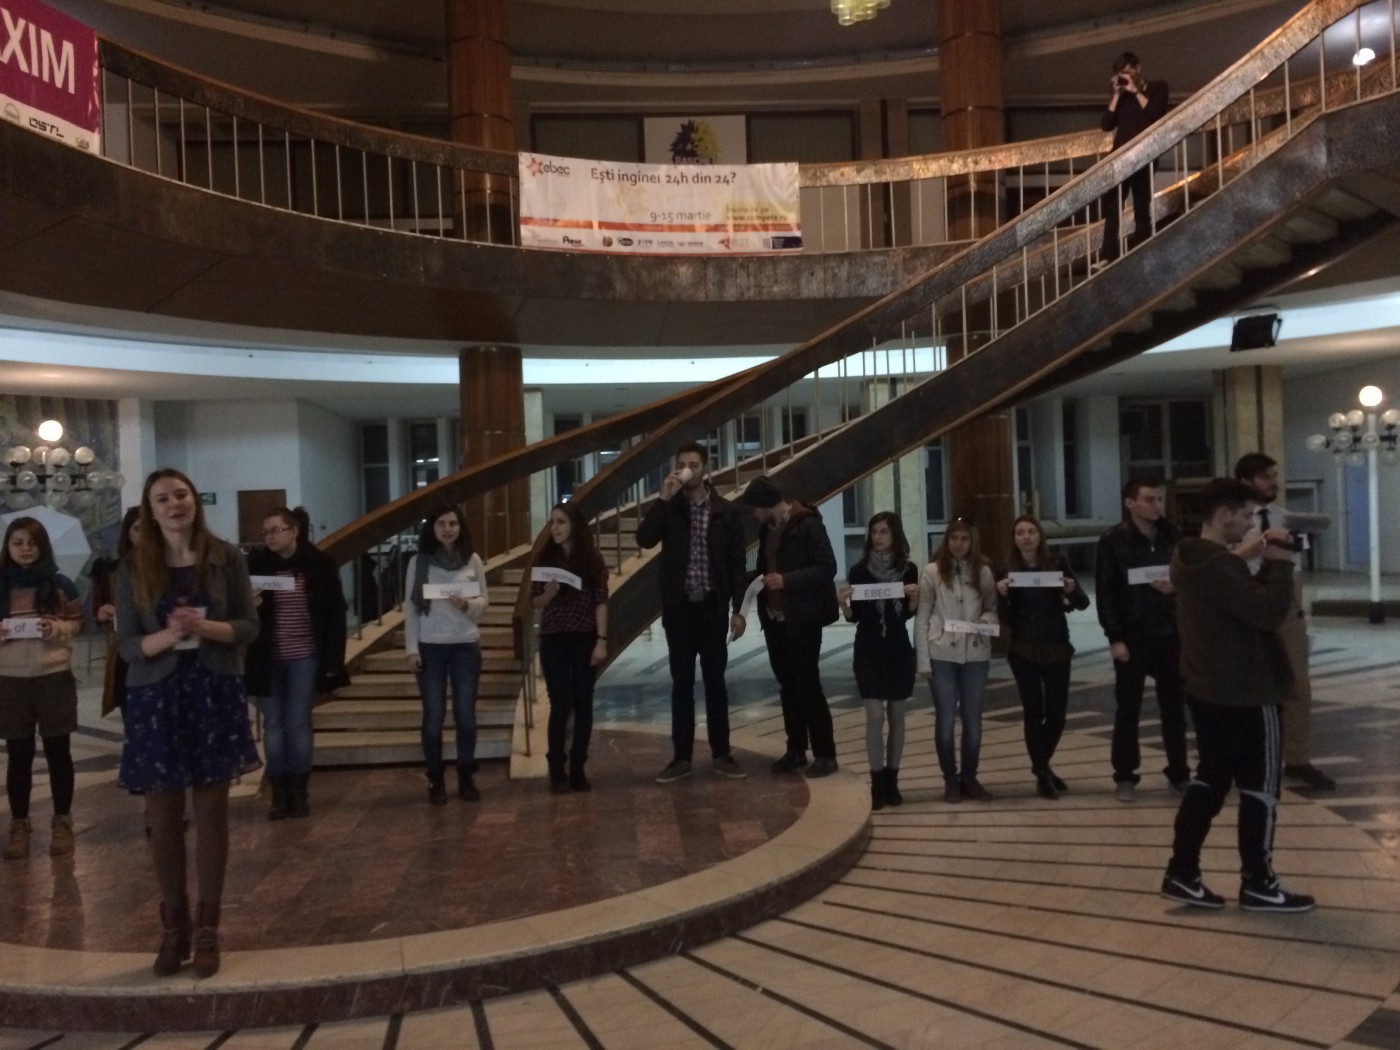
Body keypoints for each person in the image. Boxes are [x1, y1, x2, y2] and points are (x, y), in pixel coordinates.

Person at [116, 468, 261, 978]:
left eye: (181, 495)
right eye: (162, 499)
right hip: (157, 696)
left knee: (212, 814)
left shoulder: (227, 558)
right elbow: (127, 644)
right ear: (150, 511)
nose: (174, 504)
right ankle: (173, 925)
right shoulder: (133, 566)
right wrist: (168, 637)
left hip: (213, 689)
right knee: (163, 819)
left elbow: (248, 625)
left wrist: (204, 627)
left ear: (195, 501)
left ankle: (206, 928)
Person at [1161, 477, 1315, 912]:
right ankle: (1259, 882)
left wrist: (1260, 559)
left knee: (1210, 781)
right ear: (1224, 514)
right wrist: (1280, 564)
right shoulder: (1220, 566)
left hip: (1210, 690)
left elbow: (1234, 590)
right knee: (1260, 788)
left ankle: (1182, 873)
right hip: (1248, 692)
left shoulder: (1189, 557)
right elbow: (1266, 612)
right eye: (1246, 516)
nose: (1251, 524)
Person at [637, 442, 749, 784]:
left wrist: (739, 609)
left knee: (716, 683)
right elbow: (644, 539)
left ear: (705, 468)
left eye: (694, 464)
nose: (687, 469)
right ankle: (681, 757)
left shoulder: (725, 511)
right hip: (680, 609)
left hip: (712, 609)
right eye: (682, 464)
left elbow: (737, 563)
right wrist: (662, 498)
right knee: (681, 685)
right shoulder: (670, 509)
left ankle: (722, 754)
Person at [1232, 452, 1334, 790]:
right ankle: (1246, 759)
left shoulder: (1284, 516)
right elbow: (1224, 562)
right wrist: (1260, 543)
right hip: (1248, 604)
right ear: (1245, 481)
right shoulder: (1234, 519)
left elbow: (1296, 561)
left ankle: (1298, 758)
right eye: (1265, 477)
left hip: (1287, 604)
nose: (1273, 482)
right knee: (1248, 687)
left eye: (1274, 475)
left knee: (1298, 686)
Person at [245, 506, 349, 819]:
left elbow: (334, 613)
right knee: (274, 724)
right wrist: (251, 604)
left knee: (298, 722)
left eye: (276, 530)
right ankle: (279, 792)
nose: (270, 537)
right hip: (267, 656)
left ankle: (300, 790)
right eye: (265, 532)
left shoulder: (319, 563)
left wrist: (333, 659)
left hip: (305, 655)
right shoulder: (256, 565)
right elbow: (239, 612)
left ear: (294, 531)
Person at [1096, 477, 1190, 802]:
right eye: (1149, 499)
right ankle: (1125, 775)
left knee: (1175, 709)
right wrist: (1115, 637)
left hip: (1170, 632)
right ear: (1130, 503)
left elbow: (1187, 576)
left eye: (1160, 499)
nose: (1156, 506)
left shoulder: (1174, 536)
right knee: (1128, 709)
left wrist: (1176, 587)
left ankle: (1179, 773)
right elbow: (1106, 591)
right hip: (1133, 634)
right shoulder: (1113, 540)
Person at [739, 476, 840, 778]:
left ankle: (825, 754)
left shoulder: (806, 525)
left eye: (754, 508)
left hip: (802, 619)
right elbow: (767, 568)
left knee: (807, 684)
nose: (753, 515)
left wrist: (787, 580)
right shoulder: (767, 529)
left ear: (765, 504)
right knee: (787, 686)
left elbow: (827, 567)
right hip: (775, 619)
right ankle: (796, 749)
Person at [1, 517, 83, 860]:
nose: (25, 549)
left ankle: (62, 820)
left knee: (58, 751)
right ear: (7, 546)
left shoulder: (61, 585)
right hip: (10, 679)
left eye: (32, 543)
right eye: (17, 542)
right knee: (18, 754)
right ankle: (19, 822)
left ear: (43, 547)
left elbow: (77, 623)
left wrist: (57, 628)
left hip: (53, 675)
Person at [997, 515, 1091, 800]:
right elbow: (1005, 617)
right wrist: (1002, 595)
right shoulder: (1008, 570)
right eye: (1020, 533)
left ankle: (1041, 766)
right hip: (1023, 648)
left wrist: (1071, 591)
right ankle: (1042, 773)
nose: (1026, 537)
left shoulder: (1057, 563)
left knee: (1057, 714)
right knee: (1033, 711)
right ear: (1014, 539)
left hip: (1056, 645)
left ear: (1039, 536)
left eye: (1031, 531)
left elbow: (1082, 603)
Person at [402, 504, 488, 805]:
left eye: (453, 523)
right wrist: (411, 649)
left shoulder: (472, 559)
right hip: (430, 646)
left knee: (465, 716)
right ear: (433, 528)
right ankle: (435, 778)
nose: (448, 529)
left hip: (465, 645)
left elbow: (484, 601)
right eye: (442, 524)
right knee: (433, 716)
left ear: (460, 527)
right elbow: (411, 609)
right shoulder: (419, 562)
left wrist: (467, 605)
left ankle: (466, 776)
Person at [839, 512, 919, 810]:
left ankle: (892, 780)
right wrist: (844, 605)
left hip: (897, 650)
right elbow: (855, 616)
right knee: (874, 716)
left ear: (894, 534)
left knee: (897, 716)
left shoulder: (908, 570)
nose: (877, 537)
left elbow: (908, 614)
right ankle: (876, 782)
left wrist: (914, 598)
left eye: (883, 531)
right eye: (874, 532)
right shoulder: (859, 571)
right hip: (868, 651)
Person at [916, 518, 998, 805]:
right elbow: (923, 616)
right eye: (954, 538)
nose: (958, 544)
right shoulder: (932, 572)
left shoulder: (983, 572)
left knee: (973, 720)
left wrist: (984, 621)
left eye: (964, 539)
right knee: (946, 720)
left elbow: (991, 607)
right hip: (942, 654)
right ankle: (950, 778)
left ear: (972, 542)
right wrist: (923, 660)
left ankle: (969, 776)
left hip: (975, 654)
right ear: (947, 541)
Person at [532, 501, 608, 793]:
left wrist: (601, 640)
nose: (554, 528)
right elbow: (536, 602)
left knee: (583, 703)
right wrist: (547, 595)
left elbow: (600, 600)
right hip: (553, 639)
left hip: (584, 638)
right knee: (560, 703)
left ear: (574, 525)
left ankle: (578, 767)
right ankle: (556, 767)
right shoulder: (544, 558)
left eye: (561, 522)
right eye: (552, 522)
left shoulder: (592, 559)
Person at [1096, 50, 1169, 266]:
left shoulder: (1158, 87)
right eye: (1121, 74)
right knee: (1112, 206)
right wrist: (1117, 95)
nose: (1126, 77)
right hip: (1120, 157)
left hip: (1145, 154)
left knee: (1141, 205)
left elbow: (1155, 114)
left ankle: (1142, 252)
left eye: (1128, 72)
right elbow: (1106, 124)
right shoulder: (1122, 97)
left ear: (1138, 69)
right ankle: (1108, 255)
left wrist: (1135, 91)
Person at [94, 508, 141, 721]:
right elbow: (100, 612)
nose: (145, 535)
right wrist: (103, 614)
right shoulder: (115, 571)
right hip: (127, 652)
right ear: (128, 534)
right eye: (138, 529)